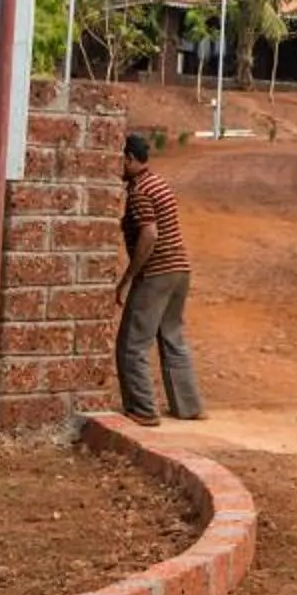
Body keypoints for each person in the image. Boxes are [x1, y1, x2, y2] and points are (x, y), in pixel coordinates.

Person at [115, 132, 204, 426]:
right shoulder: (159, 182)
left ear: (129, 158)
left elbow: (149, 234)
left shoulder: (140, 190)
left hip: (156, 273)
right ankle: (188, 406)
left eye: (119, 159)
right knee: (172, 338)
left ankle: (142, 409)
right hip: (180, 271)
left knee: (132, 343)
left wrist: (129, 276)